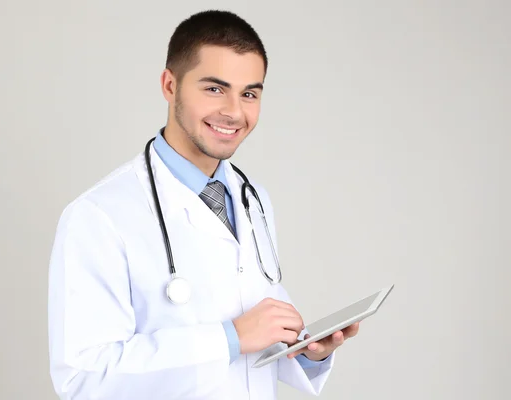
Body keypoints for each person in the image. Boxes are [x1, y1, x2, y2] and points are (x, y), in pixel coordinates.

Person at [47, 9, 360, 400]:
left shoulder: (253, 198)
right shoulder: (99, 215)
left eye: (249, 93)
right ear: (170, 85)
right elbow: (84, 378)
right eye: (214, 88)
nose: (234, 111)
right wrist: (228, 338)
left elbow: (255, 342)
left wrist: (308, 353)